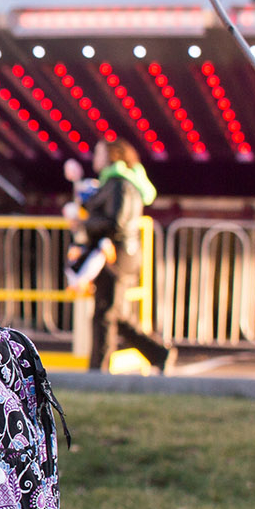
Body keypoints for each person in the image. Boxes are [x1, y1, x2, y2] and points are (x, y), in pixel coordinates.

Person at [80, 137, 174, 372]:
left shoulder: (118, 183)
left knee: (106, 313)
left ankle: (98, 372)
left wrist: (85, 224)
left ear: (113, 155)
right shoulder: (114, 182)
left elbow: (116, 222)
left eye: (99, 153)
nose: (95, 158)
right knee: (114, 313)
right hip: (119, 253)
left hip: (117, 254)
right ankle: (158, 352)